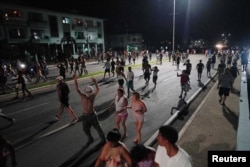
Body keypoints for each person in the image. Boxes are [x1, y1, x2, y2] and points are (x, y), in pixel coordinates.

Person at [73, 74, 106, 145]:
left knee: (98, 128)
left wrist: (95, 82)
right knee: (85, 129)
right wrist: (75, 81)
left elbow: (97, 89)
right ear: (85, 92)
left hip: (92, 115)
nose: (88, 94)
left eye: (89, 92)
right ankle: (90, 138)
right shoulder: (83, 96)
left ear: (91, 92)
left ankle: (103, 140)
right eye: (87, 92)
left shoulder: (92, 96)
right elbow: (77, 89)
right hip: (85, 116)